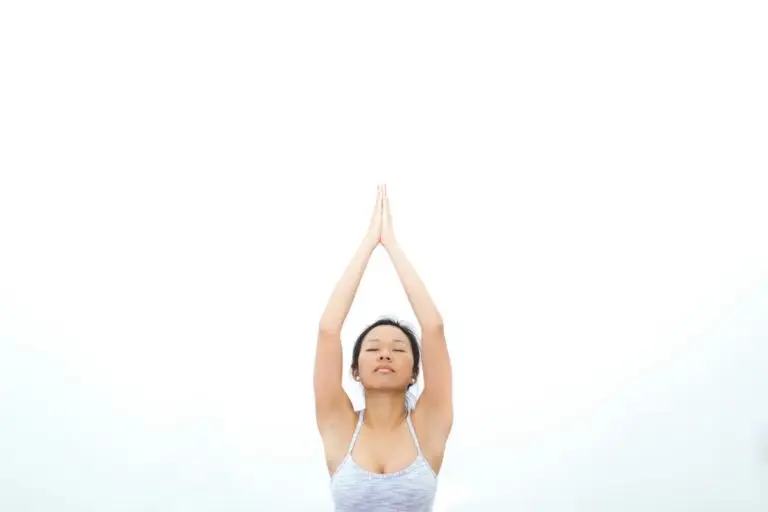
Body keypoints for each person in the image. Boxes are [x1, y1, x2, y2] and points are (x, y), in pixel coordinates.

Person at [314, 184, 453, 511]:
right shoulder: (340, 424)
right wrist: (369, 242)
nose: (385, 354)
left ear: (415, 372)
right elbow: (328, 330)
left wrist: (391, 244)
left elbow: (433, 328)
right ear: (355, 371)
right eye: (373, 348)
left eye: (399, 349)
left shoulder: (428, 425)